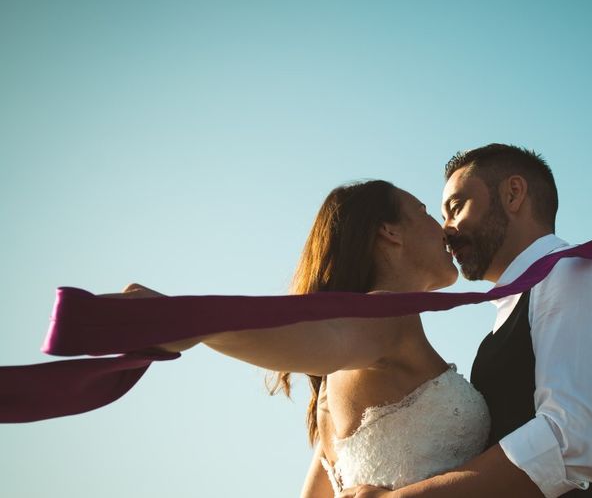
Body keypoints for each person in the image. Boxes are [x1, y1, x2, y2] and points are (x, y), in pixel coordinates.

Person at [106, 179, 491, 497]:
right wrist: (192, 322)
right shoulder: (386, 314)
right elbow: (326, 343)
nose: (444, 228)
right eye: (424, 212)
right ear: (390, 231)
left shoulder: (333, 383)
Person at [341, 144, 592, 498]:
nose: (447, 231)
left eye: (456, 208)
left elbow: (571, 443)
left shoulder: (576, 273)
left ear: (513, 194)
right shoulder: (516, 307)